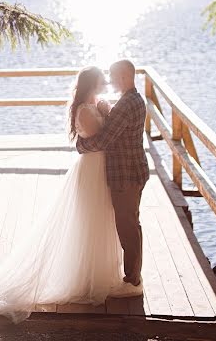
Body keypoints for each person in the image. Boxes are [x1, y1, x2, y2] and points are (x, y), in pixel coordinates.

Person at [0, 65, 126, 324]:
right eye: (101, 81)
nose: (104, 85)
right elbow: (102, 139)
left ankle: (100, 274)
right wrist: (106, 114)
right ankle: (86, 278)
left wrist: (106, 111)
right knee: (91, 221)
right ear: (91, 84)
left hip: (103, 169)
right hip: (92, 170)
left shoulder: (98, 104)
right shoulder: (84, 110)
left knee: (102, 221)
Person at [76, 59, 150, 297]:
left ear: (124, 77)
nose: (110, 81)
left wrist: (81, 145)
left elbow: (104, 140)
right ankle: (134, 275)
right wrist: (108, 112)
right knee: (132, 223)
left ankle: (131, 280)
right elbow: (117, 128)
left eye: (113, 76)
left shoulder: (125, 105)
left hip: (125, 174)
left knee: (127, 226)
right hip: (135, 169)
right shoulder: (135, 99)